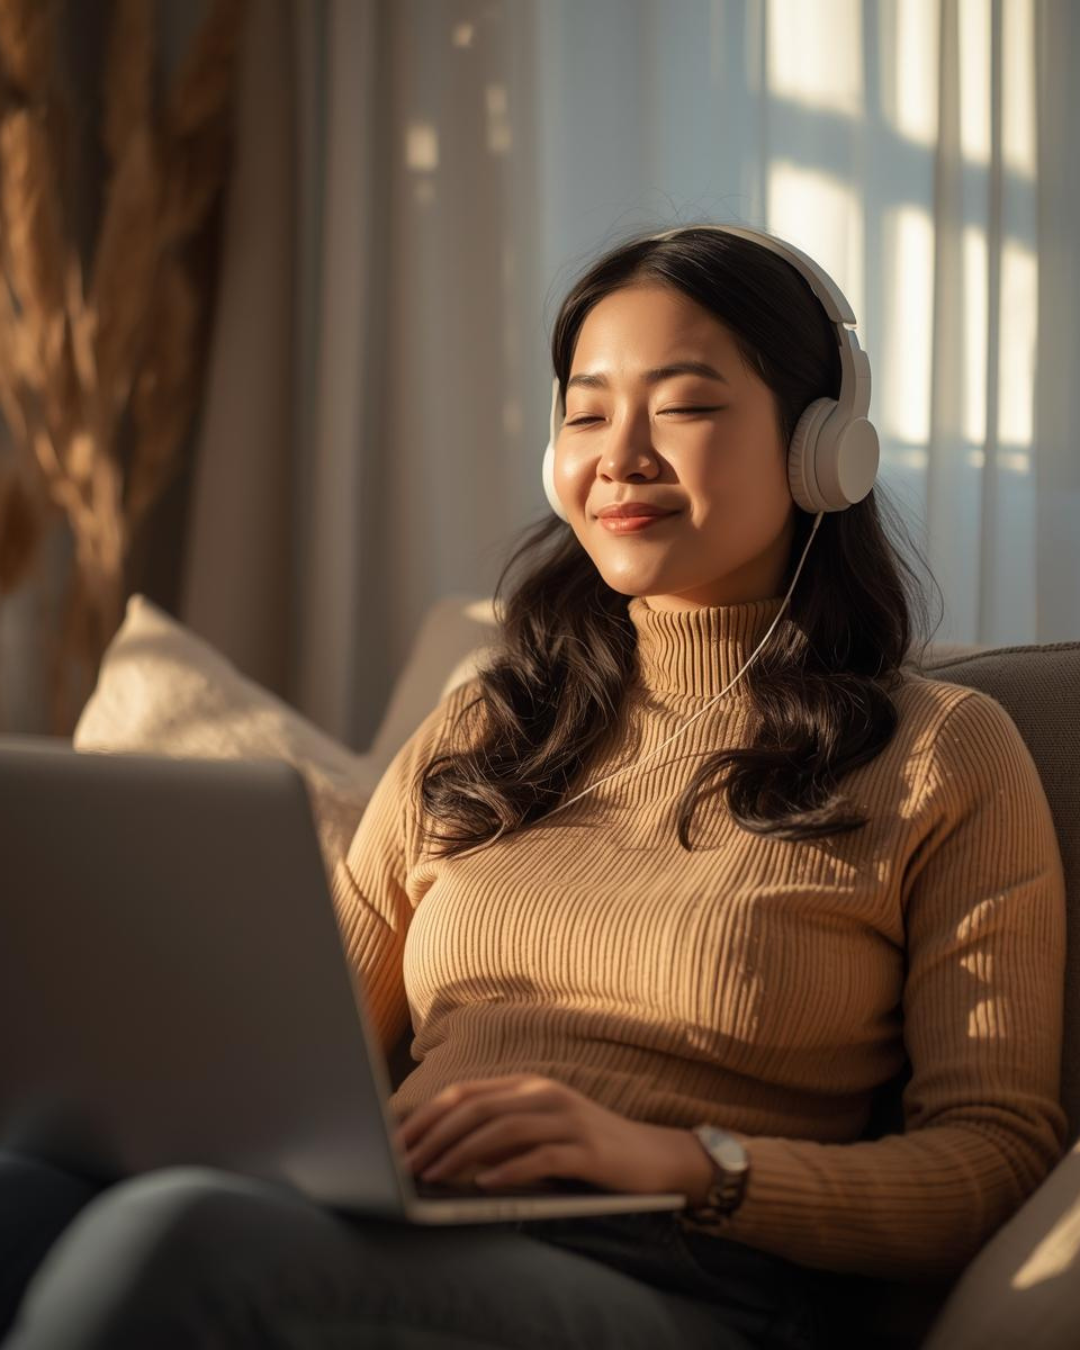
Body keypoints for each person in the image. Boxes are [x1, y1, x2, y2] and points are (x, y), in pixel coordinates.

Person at [0, 224, 1066, 1350]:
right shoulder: (491, 721)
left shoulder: (943, 753)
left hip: (692, 1280)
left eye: (685, 405)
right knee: (20, 1194)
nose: (622, 455)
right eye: (588, 410)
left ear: (822, 450)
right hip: (404, 1231)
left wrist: (681, 1161)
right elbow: (291, 1046)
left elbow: (990, 1160)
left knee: (185, 1242)